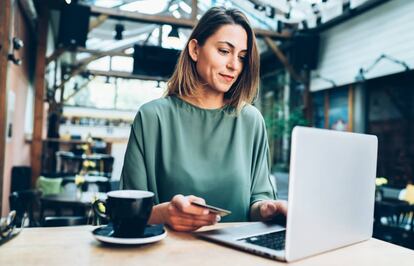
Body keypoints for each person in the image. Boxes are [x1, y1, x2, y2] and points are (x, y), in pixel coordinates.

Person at [120, 6, 287, 232]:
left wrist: (268, 208)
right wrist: (163, 214)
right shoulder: (152, 118)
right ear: (195, 49)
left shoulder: (250, 120)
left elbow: (258, 199)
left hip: (239, 256)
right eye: (224, 51)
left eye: (242, 57)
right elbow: (126, 212)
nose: (234, 65)